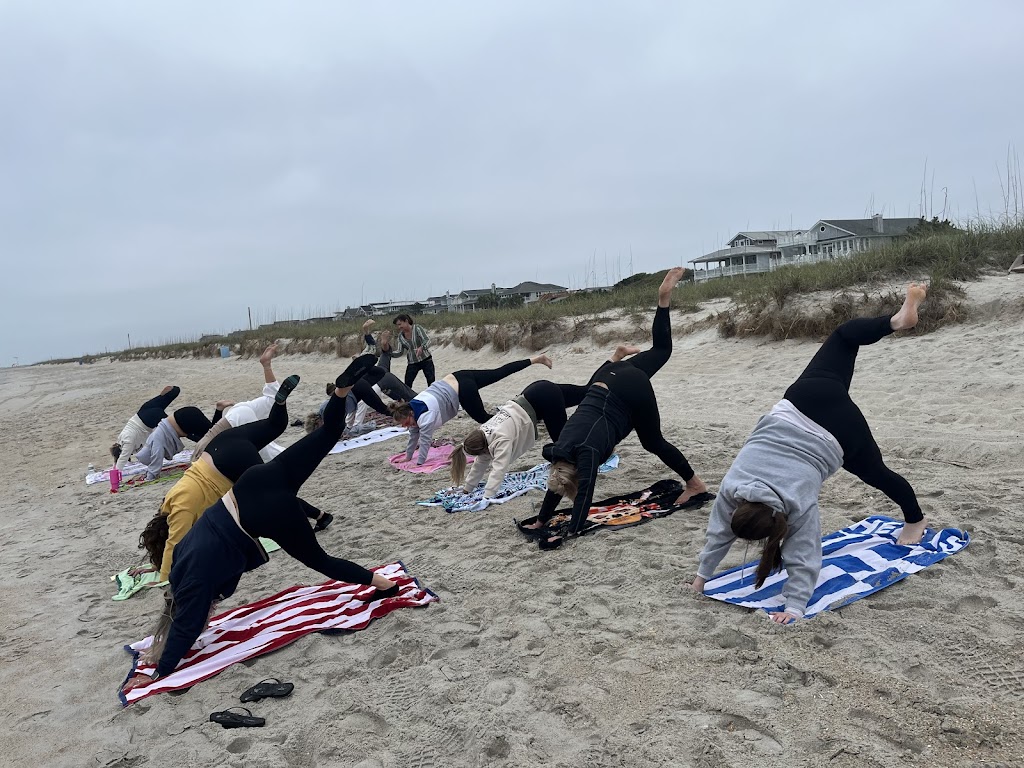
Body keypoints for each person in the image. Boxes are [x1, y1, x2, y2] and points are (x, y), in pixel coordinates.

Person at [121, 363, 397, 693]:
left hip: (266, 512)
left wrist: (160, 672)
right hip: (254, 480)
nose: (211, 612)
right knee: (328, 434)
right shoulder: (183, 554)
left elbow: (187, 625)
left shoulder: (193, 585)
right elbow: (214, 579)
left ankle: (384, 585)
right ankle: (341, 392)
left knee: (321, 561)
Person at [690, 284, 930, 624]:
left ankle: (916, 521)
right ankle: (895, 321)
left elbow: (803, 554)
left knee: (879, 474)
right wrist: (700, 577)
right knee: (844, 336)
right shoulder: (733, 487)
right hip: (803, 399)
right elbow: (718, 532)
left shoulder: (795, 505)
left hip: (838, 435)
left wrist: (794, 608)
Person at [523, 268, 708, 546]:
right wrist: (541, 520)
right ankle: (663, 299)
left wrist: (570, 531)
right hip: (608, 375)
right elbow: (559, 480)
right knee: (662, 351)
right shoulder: (559, 450)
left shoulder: (585, 455)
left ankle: (695, 484)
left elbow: (584, 493)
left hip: (628, 389)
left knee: (653, 441)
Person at [136, 375, 334, 583]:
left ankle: (320, 515)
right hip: (225, 441)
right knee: (276, 425)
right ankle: (280, 402)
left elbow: (173, 544)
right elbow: (168, 541)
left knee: (275, 493)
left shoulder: (182, 514)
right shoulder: (168, 502)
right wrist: (154, 565)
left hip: (227, 467)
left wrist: (163, 579)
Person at [391, 355, 554, 465]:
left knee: (483, 418)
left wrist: (419, 463)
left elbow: (425, 441)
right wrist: (408, 457)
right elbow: (413, 436)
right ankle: (536, 359)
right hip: (457, 376)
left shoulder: (425, 418)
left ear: (411, 413)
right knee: (499, 372)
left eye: (407, 423)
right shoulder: (412, 406)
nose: (407, 426)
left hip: (463, 389)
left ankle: (516, 419)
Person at [450, 379, 589, 500]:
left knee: (563, 445)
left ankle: (586, 463)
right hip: (536, 390)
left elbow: (499, 469)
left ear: (483, 449)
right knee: (588, 392)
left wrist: (488, 496)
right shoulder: (483, 432)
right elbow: (479, 464)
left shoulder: (501, 440)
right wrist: (468, 488)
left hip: (546, 399)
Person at [192, 344, 287, 463]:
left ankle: (293, 456)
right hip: (237, 413)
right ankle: (266, 365)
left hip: (236, 420)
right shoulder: (202, 454)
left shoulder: (202, 459)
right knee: (273, 401)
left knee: (267, 452)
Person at [134, 406, 218, 481]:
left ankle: (219, 409)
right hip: (184, 420)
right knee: (211, 436)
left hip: (186, 418)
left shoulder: (156, 441)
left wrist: (150, 477)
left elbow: (156, 458)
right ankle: (219, 410)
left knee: (214, 436)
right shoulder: (152, 439)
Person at [110, 386, 181, 470]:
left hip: (149, 419)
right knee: (175, 391)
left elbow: (123, 458)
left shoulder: (128, 443)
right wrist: (115, 464)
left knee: (176, 425)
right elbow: (119, 457)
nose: (131, 454)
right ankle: (166, 393)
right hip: (144, 410)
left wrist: (116, 471)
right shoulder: (120, 439)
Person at [387, 313, 434, 388]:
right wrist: (389, 353)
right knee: (407, 384)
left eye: (400, 324)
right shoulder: (400, 337)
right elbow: (399, 352)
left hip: (426, 359)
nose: (399, 327)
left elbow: (427, 340)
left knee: (431, 382)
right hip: (412, 362)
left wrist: (421, 348)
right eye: (397, 325)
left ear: (406, 321)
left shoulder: (417, 328)